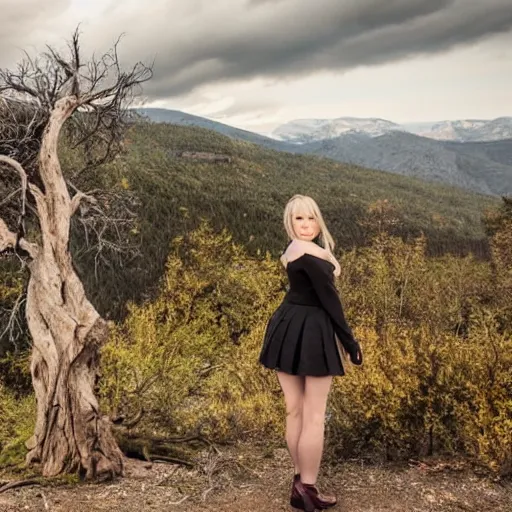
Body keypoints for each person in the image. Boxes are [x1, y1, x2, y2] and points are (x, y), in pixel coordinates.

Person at [258, 194, 363, 511]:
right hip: (313, 329)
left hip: (286, 325)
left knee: (295, 411)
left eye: (311, 218)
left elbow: (315, 263)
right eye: (298, 219)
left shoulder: (293, 250)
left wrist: (328, 259)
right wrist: (350, 343)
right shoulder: (314, 258)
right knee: (314, 416)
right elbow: (332, 304)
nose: (306, 225)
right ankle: (309, 489)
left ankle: (298, 483)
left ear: (319, 221)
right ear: (289, 222)